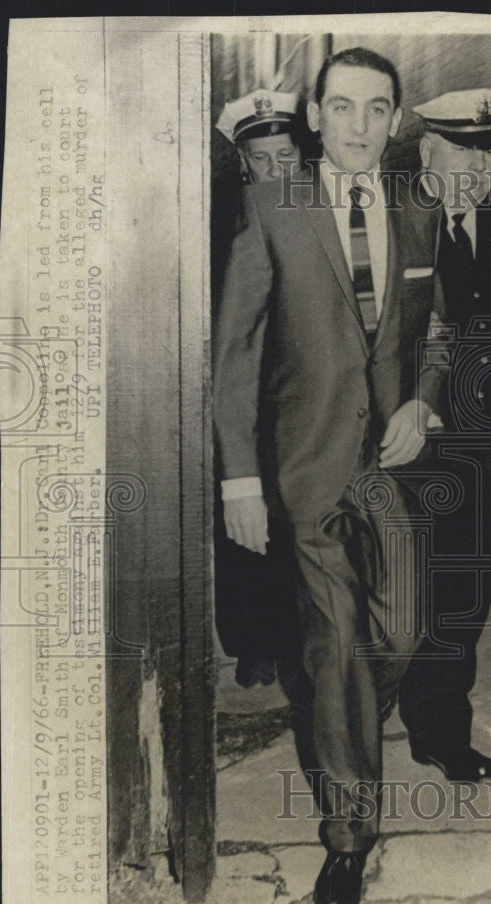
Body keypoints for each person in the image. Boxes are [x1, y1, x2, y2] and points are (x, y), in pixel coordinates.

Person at [213, 48, 442, 904]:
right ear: (315, 116)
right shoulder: (272, 207)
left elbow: (441, 328)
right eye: (340, 107)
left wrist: (423, 402)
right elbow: (234, 353)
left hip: (393, 467)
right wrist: (239, 477)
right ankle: (349, 836)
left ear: (394, 117)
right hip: (304, 466)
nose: (357, 126)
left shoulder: (417, 209)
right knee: (340, 640)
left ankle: (334, 718)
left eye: (375, 109)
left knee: (407, 629)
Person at [398, 89, 491, 782]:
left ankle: (437, 729)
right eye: (464, 151)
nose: (480, 169)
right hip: (412, 444)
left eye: (489, 155)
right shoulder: (397, 222)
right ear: (427, 150)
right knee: (398, 590)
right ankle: (364, 714)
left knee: (466, 588)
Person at [213, 88, 305, 690]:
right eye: (264, 159)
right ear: (244, 160)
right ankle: (250, 642)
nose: (277, 170)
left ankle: (292, 640)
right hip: (239, 390)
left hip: (297, 393)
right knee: (244, 520)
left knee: (296, 526)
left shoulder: (318, 207)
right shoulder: (222, 215)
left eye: (287, 156)